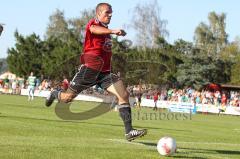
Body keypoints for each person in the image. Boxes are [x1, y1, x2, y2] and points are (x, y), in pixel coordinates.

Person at [45, 3, 147, 141]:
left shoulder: (106, 31)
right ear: (98, 14)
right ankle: (55, 93)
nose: (110, 15)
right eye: (107, 12)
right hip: (89, 71)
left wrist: (111, 33)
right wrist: (112, 31)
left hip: (105, 73)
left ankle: (129, 131)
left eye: (111, 12)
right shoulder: (93, 24)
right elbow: (93, 29)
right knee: (66, 99)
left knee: (123, 94)